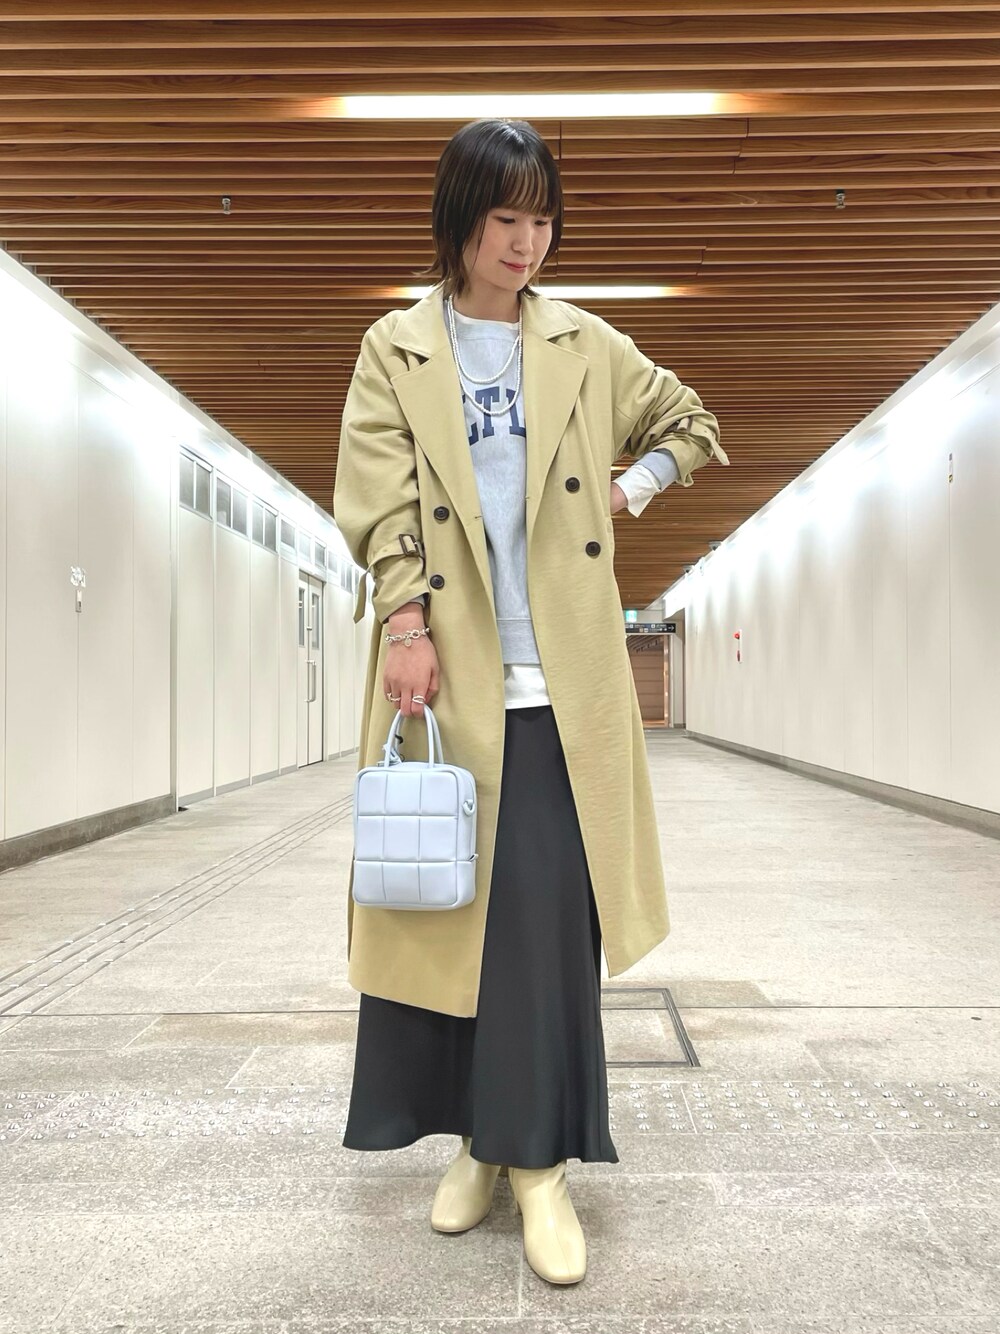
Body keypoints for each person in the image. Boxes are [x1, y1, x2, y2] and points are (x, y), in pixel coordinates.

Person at [332, 118, 726, 1287]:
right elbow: (378, 500)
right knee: (448, 919)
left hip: (564, 685)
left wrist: (630, 484)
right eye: (504, 218)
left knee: (546, 931)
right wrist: (406, 624)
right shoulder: (397, 347)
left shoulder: (584, 343)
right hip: (447, 675)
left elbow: (691, 422)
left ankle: (540, 1163)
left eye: (542, 219)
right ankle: (474, 1145)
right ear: (460, 218)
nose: (525, 242)